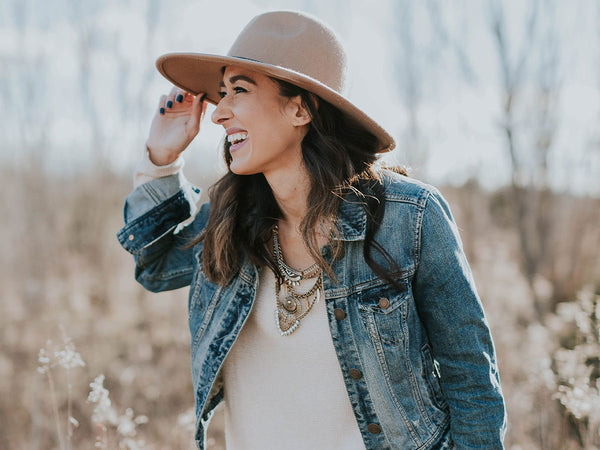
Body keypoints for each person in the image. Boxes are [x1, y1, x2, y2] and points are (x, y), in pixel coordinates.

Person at [118, 10, 507, 450]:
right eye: (221, 93)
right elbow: (154, 267)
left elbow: (471, 378)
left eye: (239, 91)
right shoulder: (229, 218)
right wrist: (160, 160)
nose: (218, 114)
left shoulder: (408, 217)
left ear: (299, 108)